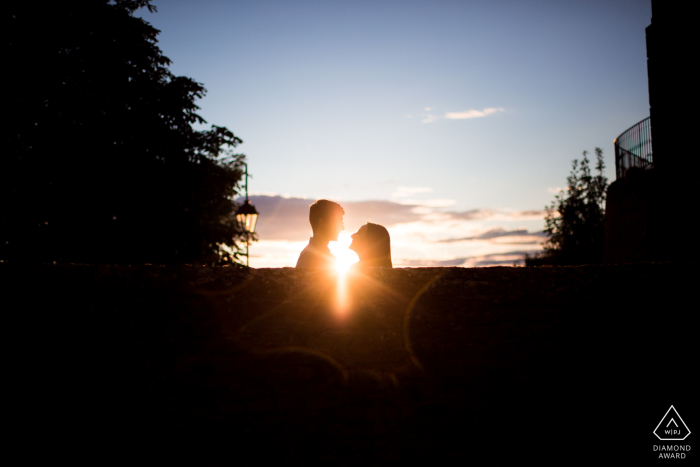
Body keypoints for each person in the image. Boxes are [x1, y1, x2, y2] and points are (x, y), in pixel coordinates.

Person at [296, 199, 345, 268]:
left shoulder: (322, 256)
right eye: (338, 222)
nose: (342, 228)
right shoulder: (310, 257)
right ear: (322, 222)